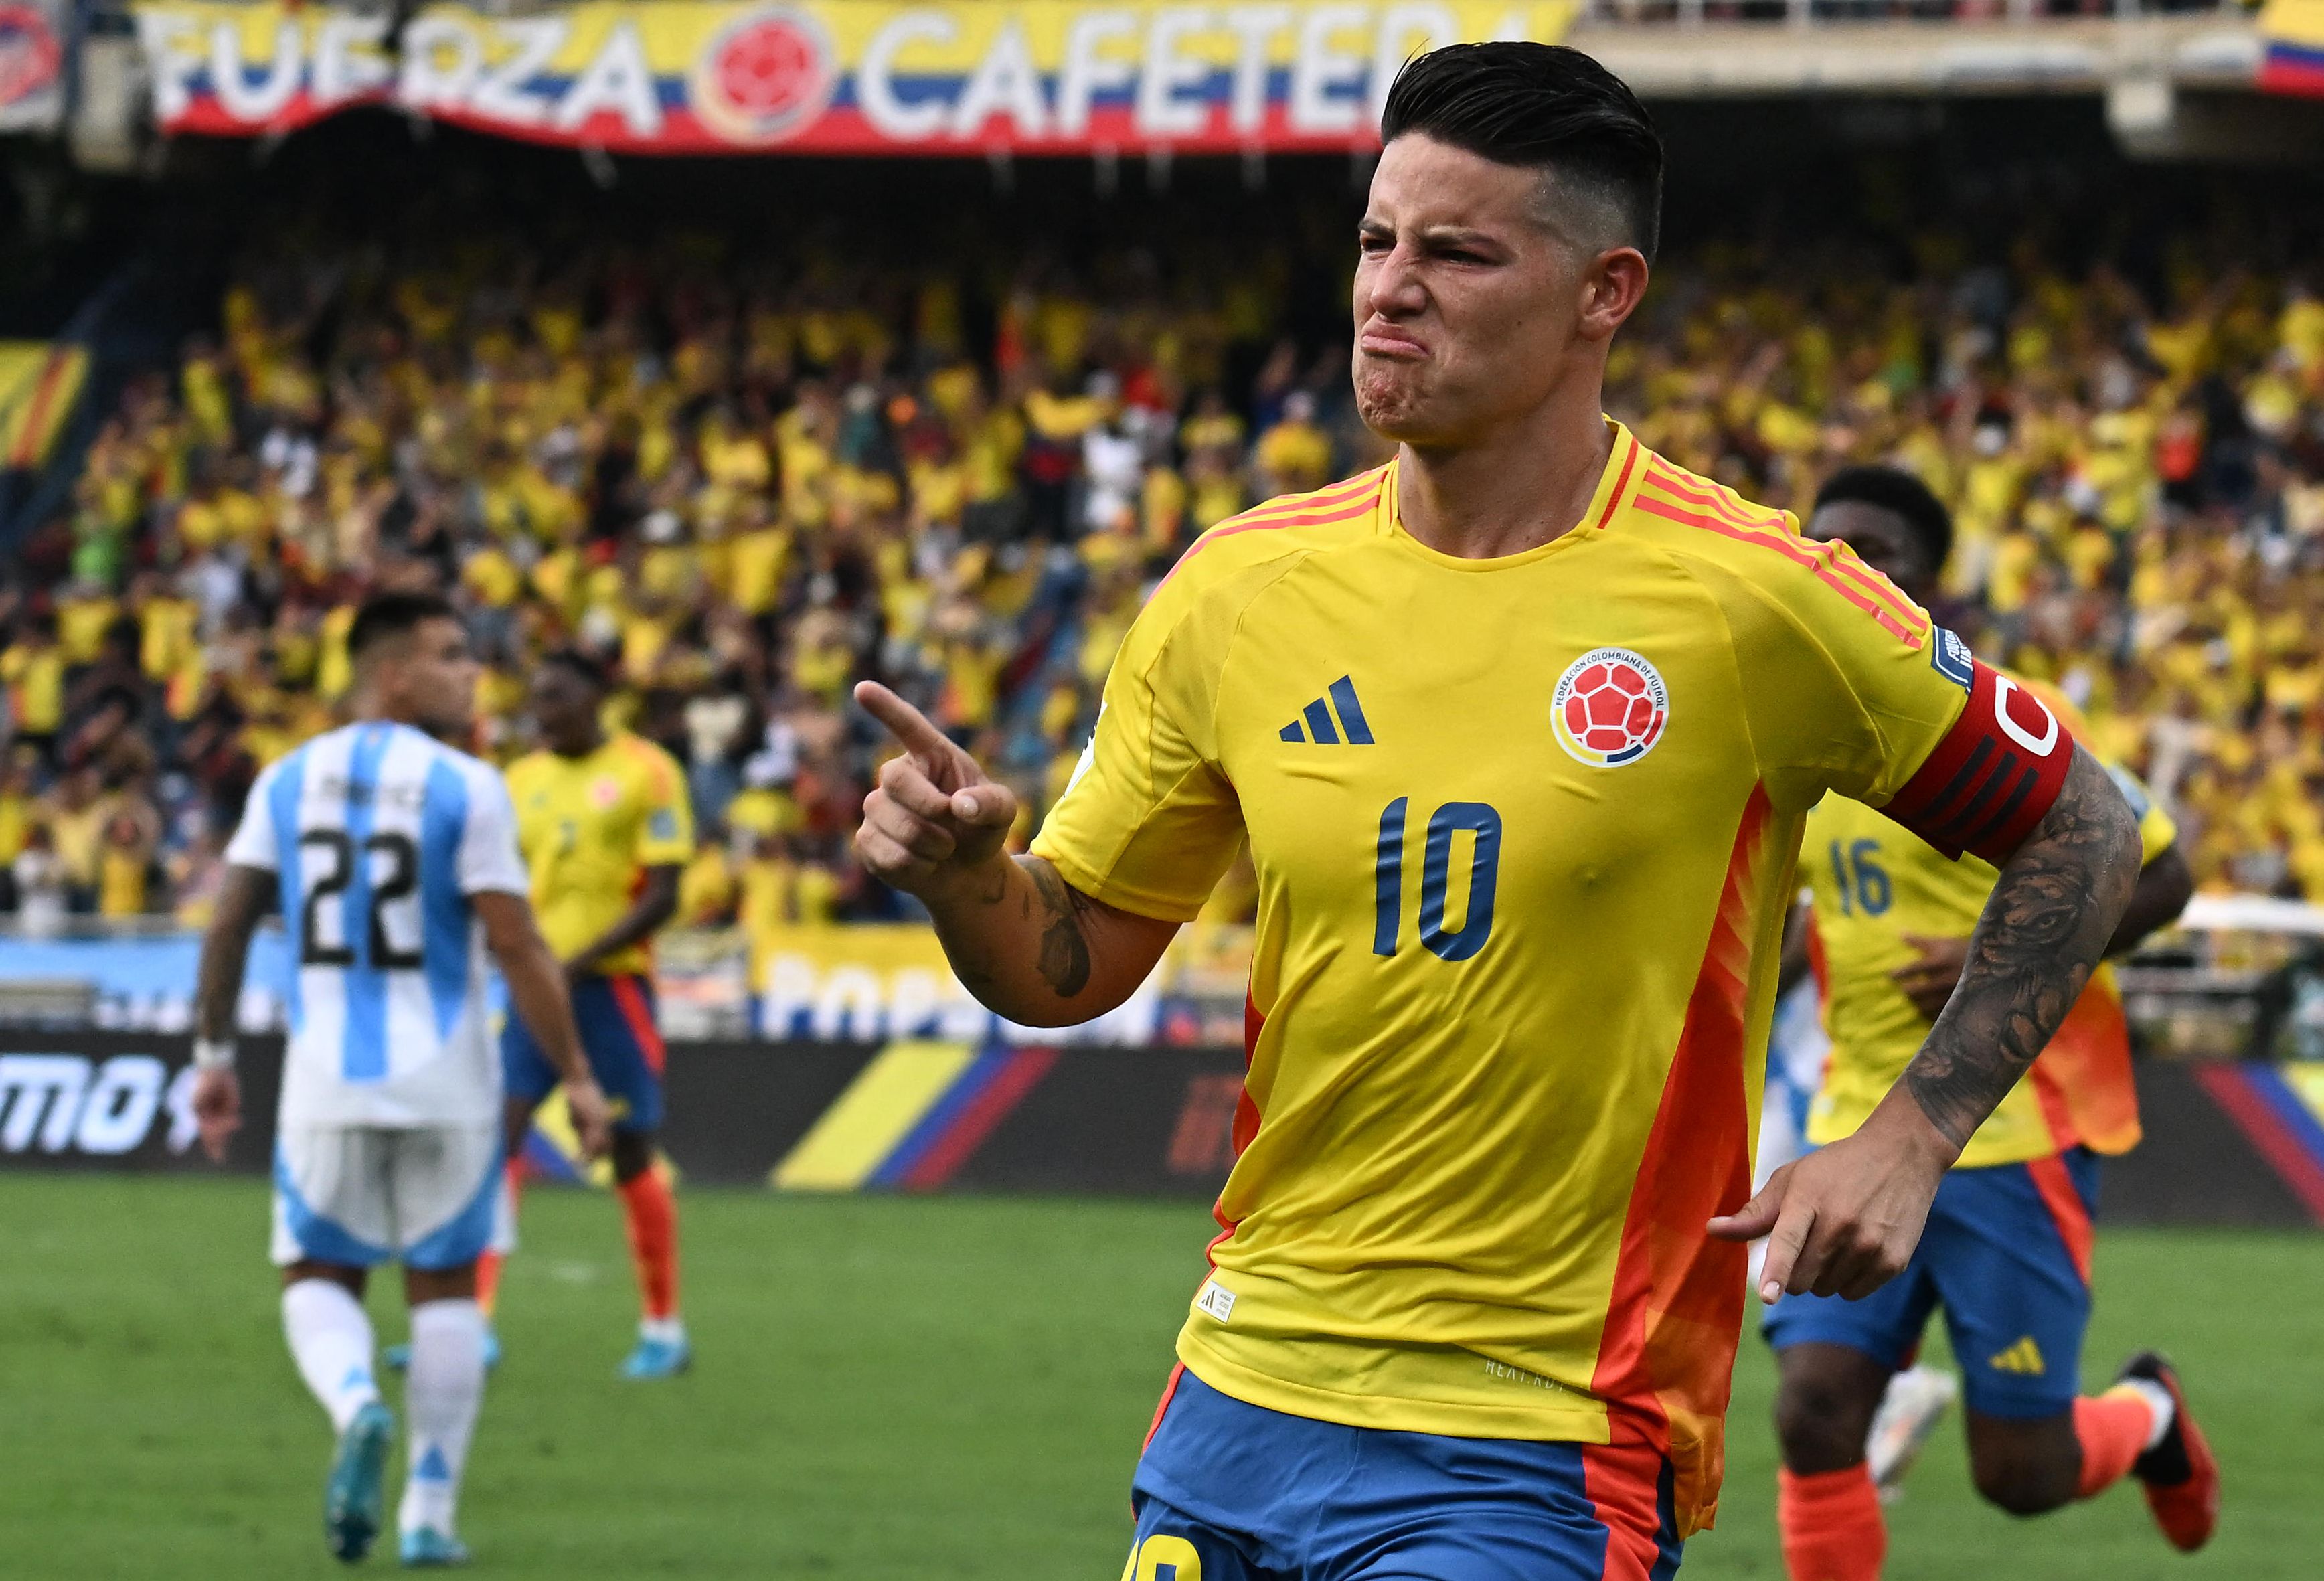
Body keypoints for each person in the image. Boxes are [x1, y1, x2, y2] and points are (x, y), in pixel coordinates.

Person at [850, 42, 2142, 1580]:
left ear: (1607, 292)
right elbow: (1065, 966)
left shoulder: (1754, 599)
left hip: (1541, 1434)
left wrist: (1911, 1139)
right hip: (1237, 1393)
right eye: (1378, 241)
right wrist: (967, 879)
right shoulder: (1238, 587)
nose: (1391, 287)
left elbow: (2088, 824)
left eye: (1456, 252)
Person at [1766, 465, 2216, 1580]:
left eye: (1877, 552)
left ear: (1930, 591)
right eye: (1826, 545)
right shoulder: (1790, 740)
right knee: (1813, 1411)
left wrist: (1987, 957)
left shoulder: (2001, 721)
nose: (1845, 569)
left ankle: (2148, 1414)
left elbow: (2162, 878)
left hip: (2011, 1134)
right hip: (1850, 1119)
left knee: (2019, 1474)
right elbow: (1811, 918)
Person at [189, 590, 613, 1567]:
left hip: (323, 1081)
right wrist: (577, 1076)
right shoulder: (468, 786)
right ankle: (429, 1512)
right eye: (450, 655)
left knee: (315, 1272)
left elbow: (227, 924)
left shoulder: (287, 779)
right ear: (392, 674)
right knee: (446, 1288)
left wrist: (212, 1060)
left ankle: (354, 1403)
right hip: (450, 1084)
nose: (473, 672)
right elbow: (517, 943)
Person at [489, 647, 695, 1378]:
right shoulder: (520, 779)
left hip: (611, 990)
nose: (542, 711)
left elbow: (664, 891)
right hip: (532, 992)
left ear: (596, 696)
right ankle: (471, 1322)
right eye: (536, 698)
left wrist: (568, 965)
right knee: (498, 1138)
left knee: (632, 1150)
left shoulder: (648, 771)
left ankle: (663, 1329)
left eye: (556, 695)